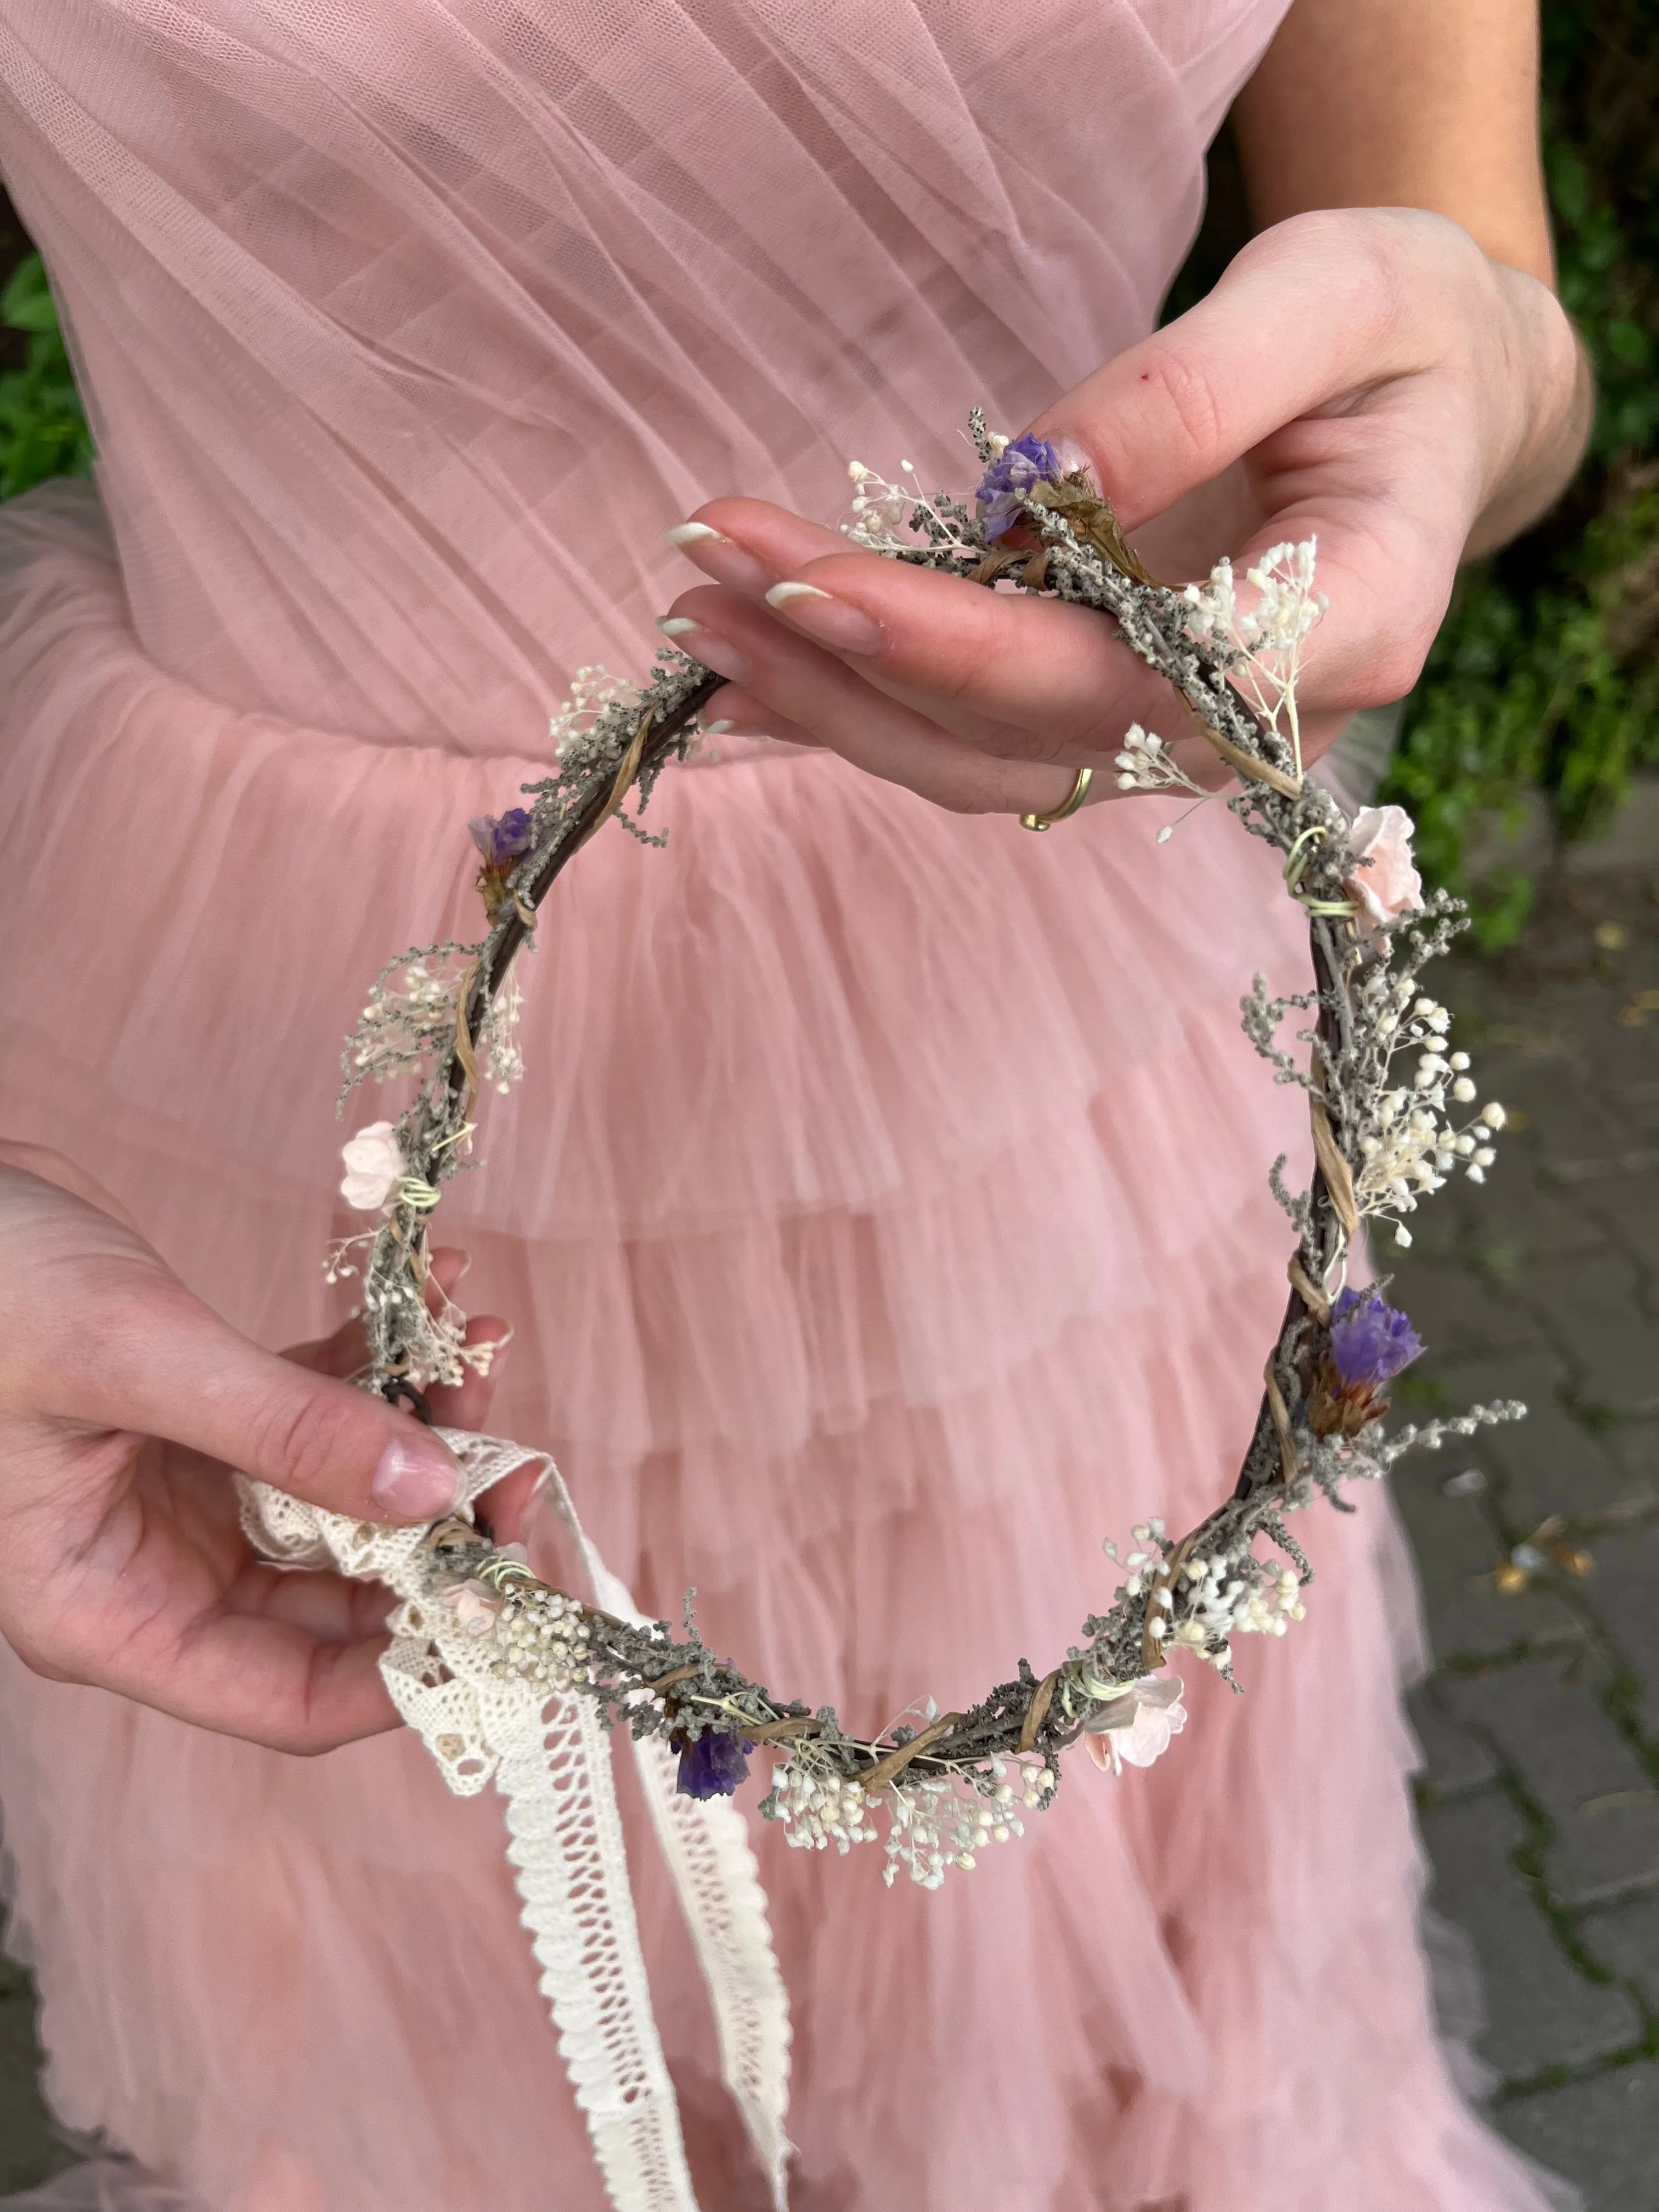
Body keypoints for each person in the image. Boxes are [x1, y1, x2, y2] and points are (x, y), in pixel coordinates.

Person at [0, 3, 1588, 2208]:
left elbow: (1470, 295)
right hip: (255, 1115)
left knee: (1070, 2041)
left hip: (1041, 1123)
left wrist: (1488, 369)